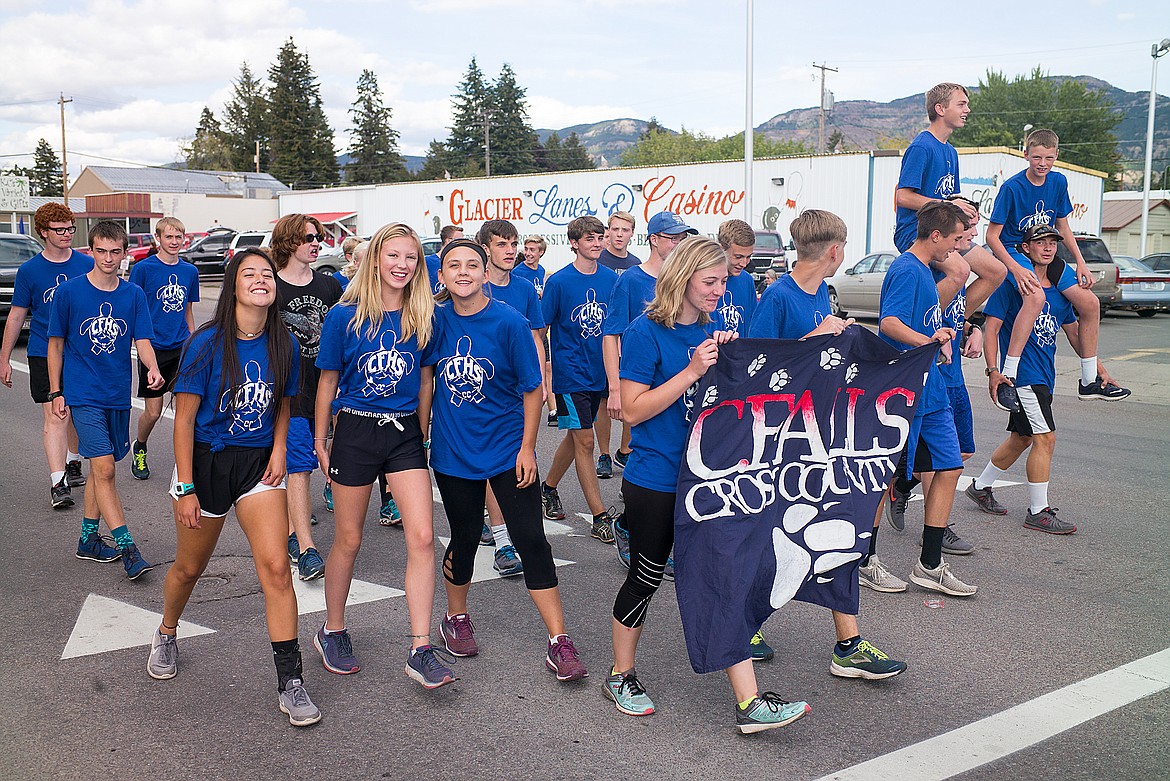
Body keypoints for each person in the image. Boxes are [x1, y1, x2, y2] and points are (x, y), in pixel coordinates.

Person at [607, 234, 809, 734]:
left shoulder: (715, 329)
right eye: (711, 281)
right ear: (684, 277)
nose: (722, 290)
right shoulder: (643, 332)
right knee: (647, 577)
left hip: (709, 479)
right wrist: (693, 369)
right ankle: (621, 674)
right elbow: (631, 410)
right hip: (655, 476)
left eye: (724, 281)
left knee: (726, 578)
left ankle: (750, 702)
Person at [147, 247, 321, 727]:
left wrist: (280, 449)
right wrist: (184, 487)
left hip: (257, 467)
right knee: (188, 568)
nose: (262, 279)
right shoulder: (205, 343)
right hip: (205, 465)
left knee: (276, 570)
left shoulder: (282, 342)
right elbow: (181, 421)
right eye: (251, 274)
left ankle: (291, 681)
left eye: (268, 273)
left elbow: (285, 404)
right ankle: (166, 630)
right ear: (234, 286)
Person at [747, 210, 907, 679]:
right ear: (834, 250)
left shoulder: (821, 291)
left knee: (840, 527)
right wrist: (813, 337)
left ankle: (849, 642)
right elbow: (755, 365)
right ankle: (748, 621)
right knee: (772, 533)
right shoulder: (778, 296)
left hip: (824, 432)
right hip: (782, 439)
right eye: (844, 249)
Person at [425, 237, 587, 680]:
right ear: (441, 276)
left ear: (485, 273)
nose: (463, 273)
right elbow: (424, 382)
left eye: (472, 265)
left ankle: (559, 640)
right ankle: (455, 617)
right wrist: (420, 440)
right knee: (461, 538)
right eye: (453, 266)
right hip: (454, 454)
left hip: (507, 451)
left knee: (532, 540)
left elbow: (532, 388)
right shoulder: (435, 323)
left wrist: (527, 447)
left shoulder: (509, 322)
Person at [312, 222, 452, 689]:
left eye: (411, 258)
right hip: (353, 430)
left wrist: (424, 433)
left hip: (404, 435)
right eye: (393, 255)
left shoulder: (422, 315)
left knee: (424, 536)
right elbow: (327, 381)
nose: (402, 265)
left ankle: (420, 646)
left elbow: (427, 379)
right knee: (348, 540)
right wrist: (321, 438)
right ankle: (332, 629)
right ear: (375, 259)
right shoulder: (344, 316)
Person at [969, 224, 1118, 533]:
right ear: (1025, 249)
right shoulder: (1013, 285)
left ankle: (981, 487)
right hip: (1022, 377)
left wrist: (1097, 367)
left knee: (1022, 438)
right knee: (1045, 439)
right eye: (1040, 242)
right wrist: (993, 371)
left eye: (1053, 242)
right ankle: (1038, 511)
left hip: (1044, 377)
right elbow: (992, 330)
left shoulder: (1061, 291)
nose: (1048, 247)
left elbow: (1075, 333)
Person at [47, 220, 162, 579]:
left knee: (102, 467)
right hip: (83, 394)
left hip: (117, 393)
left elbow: (142, 338)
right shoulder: (70, 293)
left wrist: (153, 369)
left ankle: (88, 539)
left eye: (115, 251)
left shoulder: (132, 295)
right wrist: (56, 390)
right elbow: (56, 344)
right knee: (107, 468)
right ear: (91, 251)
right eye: (101, 251)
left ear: (124, 253)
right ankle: (129, 548)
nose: (108, 258)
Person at [985, 128, 1128, 406]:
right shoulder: (1012, 188)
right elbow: (992, 236)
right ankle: (1009, 377)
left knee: (1090, 304)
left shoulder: (1058, 182)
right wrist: (1014, 268)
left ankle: (1089, 381)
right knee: (1036, 296)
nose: (1043, 163)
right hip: (1018, 250)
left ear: (1057, 156)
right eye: (1037, 157)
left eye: (1049, 158)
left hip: (1045, 251)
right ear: (1025, 155)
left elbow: (1063, 226)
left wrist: (1080, 262)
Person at [878, 201, 977, 597]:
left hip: (931, 388)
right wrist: (927, 342)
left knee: (950, 467)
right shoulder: (906, 268)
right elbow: (889, 322)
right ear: (935, 235)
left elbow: (924, 320)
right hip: (904, 390)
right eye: (954, 240)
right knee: (882, 475)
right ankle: (866, 560)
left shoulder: (924, 271)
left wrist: (945, 336)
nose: (956, 248)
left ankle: (930, 564)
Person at [0, 202, 92, 509]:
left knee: (77, 412)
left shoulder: (85, 264)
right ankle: (58, 482)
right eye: (60, 229)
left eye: (70, 228)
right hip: (42, 352)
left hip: (80, 353)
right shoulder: (29, 271)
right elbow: (16, 316)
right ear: (43, 232)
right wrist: (4, 359)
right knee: (55, 414)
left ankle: (74, 460)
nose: (67, 234)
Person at [601, 211, 697, 484]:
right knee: (644, 448)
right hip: (640, 378)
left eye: (683, 238)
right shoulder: (631, 279)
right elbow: (611, 334)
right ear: (654, 240)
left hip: (676, 379)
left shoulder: (685, 280)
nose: (680, 243)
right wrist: (615, 388)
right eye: (673, 238)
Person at [539, 215, 619, 542]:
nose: (597, 243)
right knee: (585, 441)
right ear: (575, 243)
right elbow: (541, 329)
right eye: (590, 239)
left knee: (575, 439)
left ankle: (547, 488)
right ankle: (600, 516)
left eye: (600, 238)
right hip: (572, 376)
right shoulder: (558, 282)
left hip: (602, 371)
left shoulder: (611, 279)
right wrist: (544, 377)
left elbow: (615, 329)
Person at [478, 219, 547, 577]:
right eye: (502, 244)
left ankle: (515, 529)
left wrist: (541, 379)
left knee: (521, 454)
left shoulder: (523, 288)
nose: (510, 250)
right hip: (483, 389)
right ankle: (503, 538)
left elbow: (537, 336)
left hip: (520, 387)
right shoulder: (475, 285)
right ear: (485, 249)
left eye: (513, 243)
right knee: (492, 463)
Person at [273, 213, 340, 581]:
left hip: (328, 389)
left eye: (318, 237)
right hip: (290, 393)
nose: (316, 243)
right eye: (309, 238)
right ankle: (307, 547)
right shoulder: (273, 288)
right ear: (288, 241)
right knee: (299, 465)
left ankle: (291, 529)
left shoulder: (330, 286)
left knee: (330, 462)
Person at [894, 82, 1005, 304]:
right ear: (940, 109)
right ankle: (929, 322)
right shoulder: (921, 147)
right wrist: (946, 204)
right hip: (916, 233)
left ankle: (958, 322)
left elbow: (952, 200)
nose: (967, 110)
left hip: (945, 232)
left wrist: (968, 213)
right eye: (961, 104)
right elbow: (902, 197)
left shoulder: (950, 151)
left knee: (997, 271)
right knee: (960, 270)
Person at [127, 217, 200, 480]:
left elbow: (188, 310)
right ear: (158, 238)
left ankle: (186, 463)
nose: (174, 242)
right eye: (168, 237)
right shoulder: (143, 269)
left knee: (187, 410)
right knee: (154, 412)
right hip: (152, 348)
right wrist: (134, 341)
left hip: (181, 347)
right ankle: (140, 446)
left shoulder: (190, 272)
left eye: (178, 237)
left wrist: (193, 342)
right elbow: (133, 307)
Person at [513, 234, 554, 424]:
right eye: (526, 249)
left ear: (542, 253)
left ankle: (553, 409)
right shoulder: (518, 272)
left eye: (533, 250)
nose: (528, 253)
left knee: (547, 366)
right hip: (524, 328)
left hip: (539, 325)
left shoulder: (541, 271)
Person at [715, 219, 759, 337]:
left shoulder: (746, 280)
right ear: (721, 249)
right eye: (738, 257)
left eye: (748, 257)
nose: (744, 263)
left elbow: (751, 324)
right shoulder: (703, 279)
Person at [425, 225, 464, 295]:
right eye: (459, 241)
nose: (462, 244)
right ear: (448, 241)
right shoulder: (428, 262)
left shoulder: (461, 263)